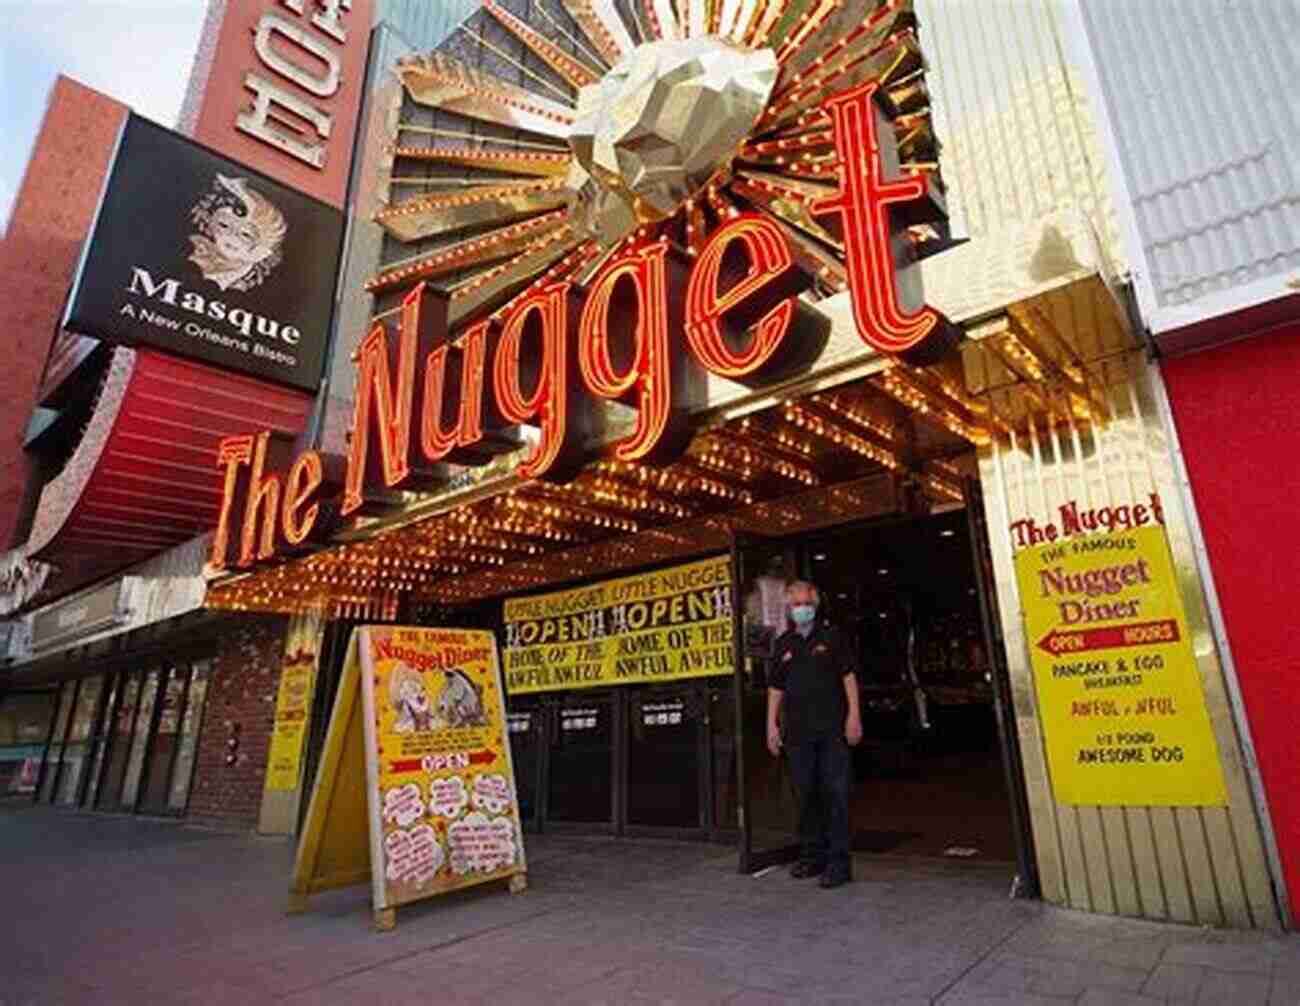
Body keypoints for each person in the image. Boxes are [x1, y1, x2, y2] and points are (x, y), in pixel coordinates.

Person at [767, 580, 862, 888]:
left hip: (832, 729)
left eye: (805, 603)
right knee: (806, 794)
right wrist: (771, 725)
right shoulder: (783, 644)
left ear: (815, 604)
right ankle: (812, 856)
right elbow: (775, 688)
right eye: (795, 605)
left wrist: (854, 717)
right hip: (797, 734)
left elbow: (848, 677)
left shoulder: (832, 637)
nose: (801, 609)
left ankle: (839, 864)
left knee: (835, 793)